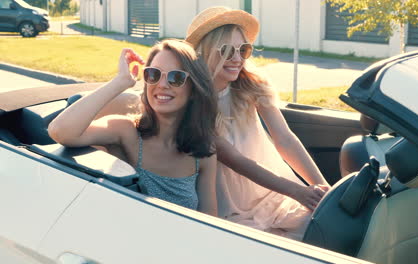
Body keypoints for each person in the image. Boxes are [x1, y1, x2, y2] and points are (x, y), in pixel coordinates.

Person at [185, 6, 330, 239]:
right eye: (227, 50)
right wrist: (298, 192)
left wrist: (323, 189)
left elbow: (285, 138)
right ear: (205, 52)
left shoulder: (251, 84)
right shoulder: (193, 102)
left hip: (274, 192)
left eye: (243, 49)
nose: (237, 58)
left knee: (323, 230)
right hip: (231, 204)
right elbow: (235, 160)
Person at [48, 39, 218, 216]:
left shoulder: (204, 151)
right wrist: (121, 81)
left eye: (176, 77)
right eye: (153, 74)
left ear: (194, 90)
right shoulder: (125, 131)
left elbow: (210, 220)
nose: (161, 84)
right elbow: (59, 130)